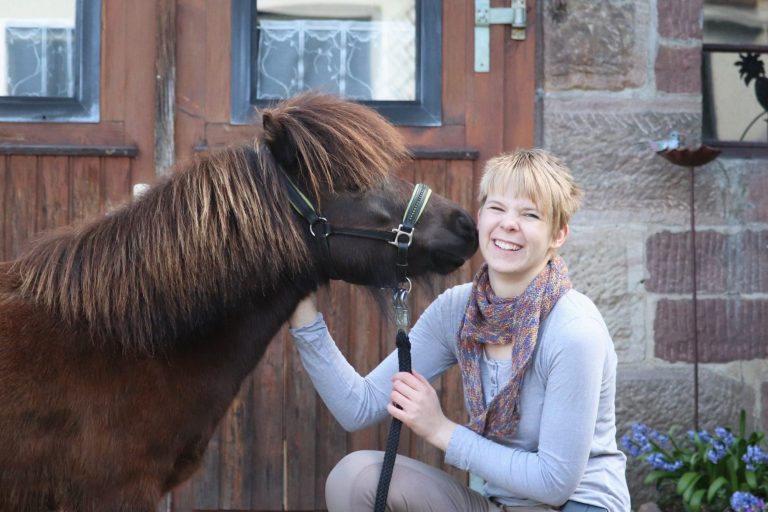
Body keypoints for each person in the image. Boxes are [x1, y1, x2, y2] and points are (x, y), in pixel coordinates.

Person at [288, 149, 630, 511]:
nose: (509, 224)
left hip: (578, 505)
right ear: (481, 218)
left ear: (558, 235)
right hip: (500, 504)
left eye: (530, 214)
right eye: (498, 209)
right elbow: (358, 407)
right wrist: (300, 311)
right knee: (354, 477)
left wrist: (439, 429)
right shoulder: (459, 311)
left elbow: (554, 484)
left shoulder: (574, 329)